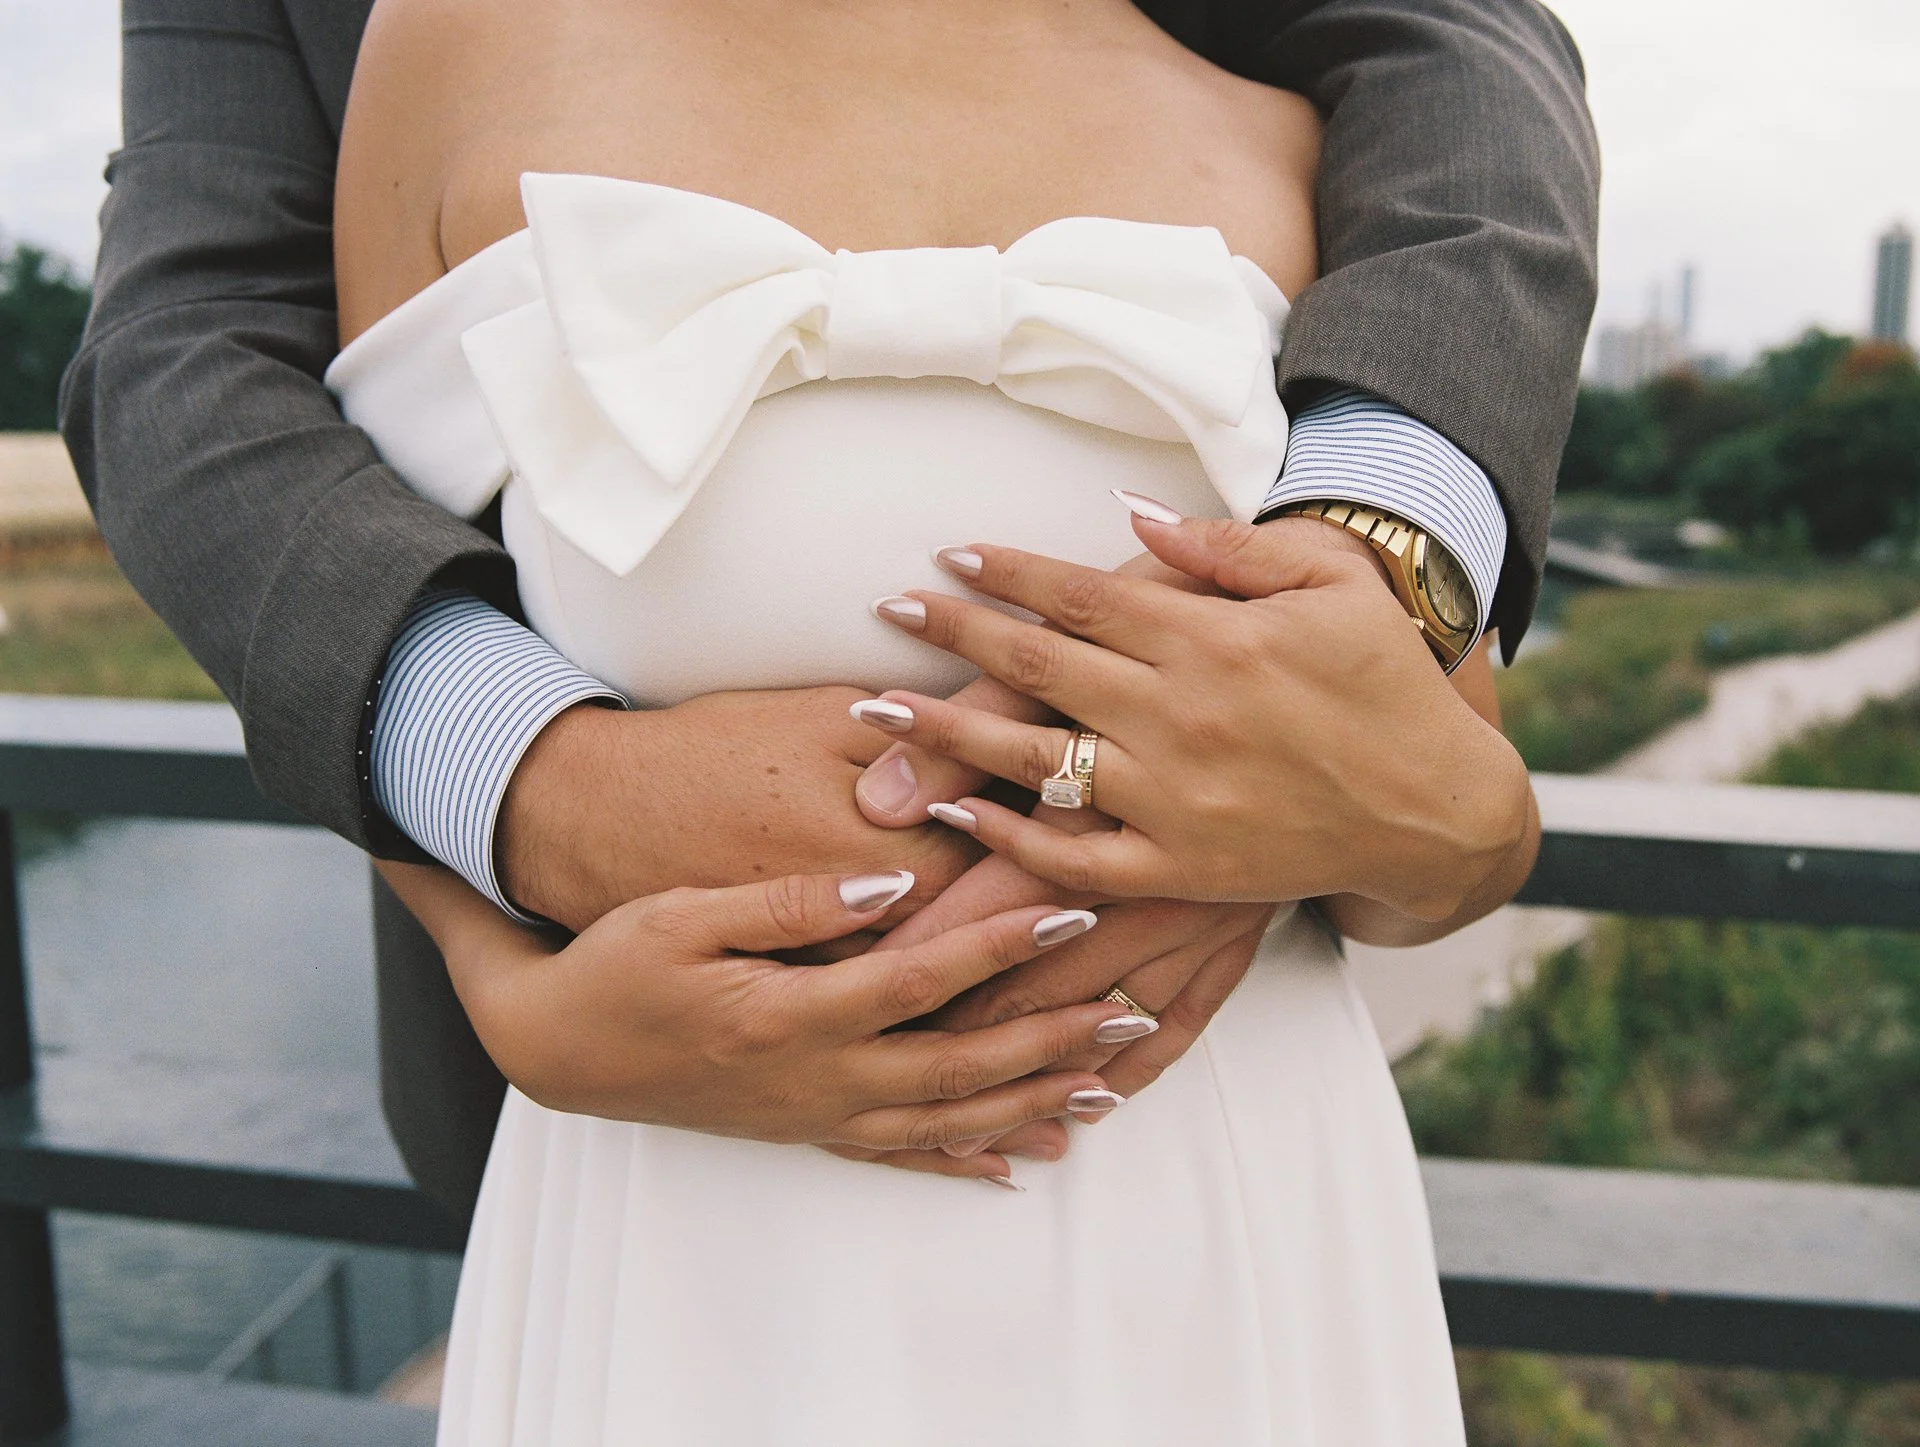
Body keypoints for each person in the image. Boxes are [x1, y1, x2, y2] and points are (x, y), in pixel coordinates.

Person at [62, 0, 1595, 1436]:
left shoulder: (1282, 139)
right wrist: (522, 838)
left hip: (1222, 1221)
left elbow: (1445, 799)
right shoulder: (448, 63)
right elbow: (198, 364)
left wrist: (1441, 811)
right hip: (689, 1222)